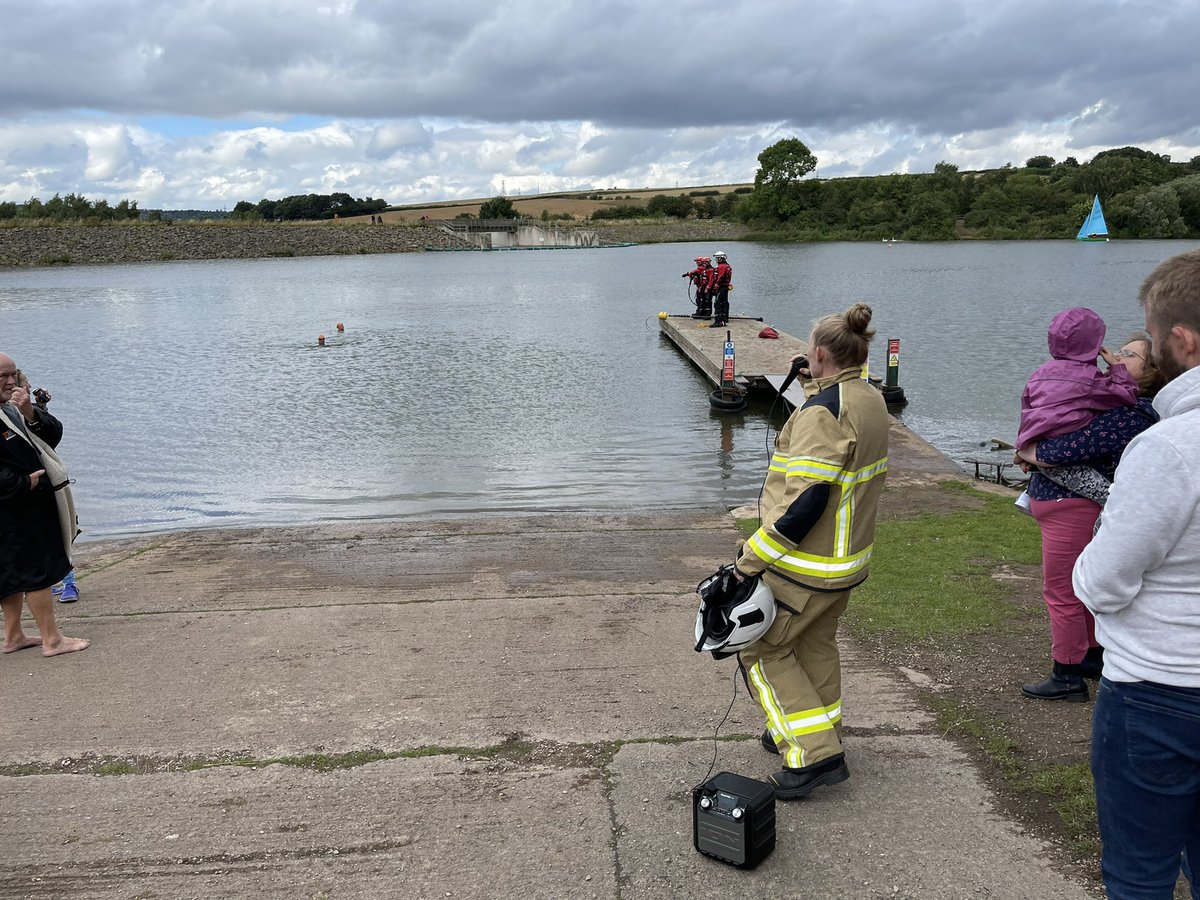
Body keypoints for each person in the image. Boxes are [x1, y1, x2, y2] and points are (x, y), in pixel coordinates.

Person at [1073, 249, 1200, 899]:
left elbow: (1103, 581)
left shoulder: (1169, 449)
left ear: (1181, 341)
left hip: (1160, 691)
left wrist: (1092, 559)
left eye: (1149, 338)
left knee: (1139, 872)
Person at [731, 303, 889, 799]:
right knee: (814, 645)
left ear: (818, 353)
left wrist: (750, 560)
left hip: (807, 565)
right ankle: (814, 727)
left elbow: (806, 501)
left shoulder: (823, 413)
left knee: (760, 648)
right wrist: (810, 390)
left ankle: (816, 754)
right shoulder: (866, 398)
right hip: (847, 558)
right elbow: (836, 446)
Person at [1015, 332, 1164, 701]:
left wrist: (1029, 450)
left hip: (1073, 509)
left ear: (1151, 372)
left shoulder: (1132, 413)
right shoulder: (1111, 405)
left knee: (1061, 591)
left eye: (1129, 355)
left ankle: (1066, 674)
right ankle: (1091, 657)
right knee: (1075, 588)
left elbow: (1065, 448)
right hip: (1066, 505)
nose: (1114, 356)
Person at [0, 352, 88, 657]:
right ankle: (52, 640)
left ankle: (13, 636)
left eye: (14, 374)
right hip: (14, 505)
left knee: (10, 573)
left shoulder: (13, 408)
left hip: (26, 505)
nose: (11, 381)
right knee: (36, 569)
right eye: (3, 376)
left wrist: (31, 412)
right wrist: (25, 483)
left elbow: (52, 436)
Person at [15, 369, 80, 604]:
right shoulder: (10, 415)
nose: (29, 389)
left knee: (61, 539)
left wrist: (39, 404)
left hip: (49, 486)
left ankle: (70, 583)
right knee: (38, 544)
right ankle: (51, 582)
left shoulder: (31, 412)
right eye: (26, 385)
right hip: (27, 490)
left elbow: (51, 431)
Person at [710, 250, 732, 328]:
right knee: (724, 303)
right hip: (725, 287)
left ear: (721, 258)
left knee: (718, 303)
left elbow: (720, 277)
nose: (716, 260)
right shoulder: (727, 266)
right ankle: (723, 319)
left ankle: (718, 321)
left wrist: (715, 287)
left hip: (721, 287)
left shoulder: (722, 266)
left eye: (717, 258)